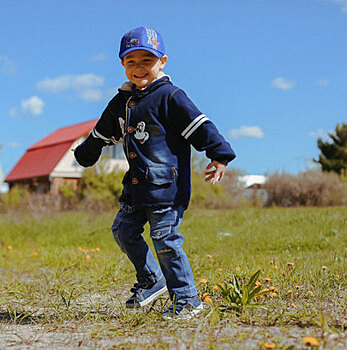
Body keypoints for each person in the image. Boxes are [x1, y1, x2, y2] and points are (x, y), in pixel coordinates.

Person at [74, 26, 235, 318]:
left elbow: (200, 126)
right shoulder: (121, 102)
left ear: (162, 61)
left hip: (166, 188)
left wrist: (219, 155)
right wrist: (88, 150)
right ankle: (151, 279)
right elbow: (102, 132)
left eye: (146, 60)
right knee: (123, 231)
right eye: (131, 61)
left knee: (165, 239)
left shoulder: (170, 96)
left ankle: (186, 299)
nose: (139, 68)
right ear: (122, 64)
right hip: (136, 188)